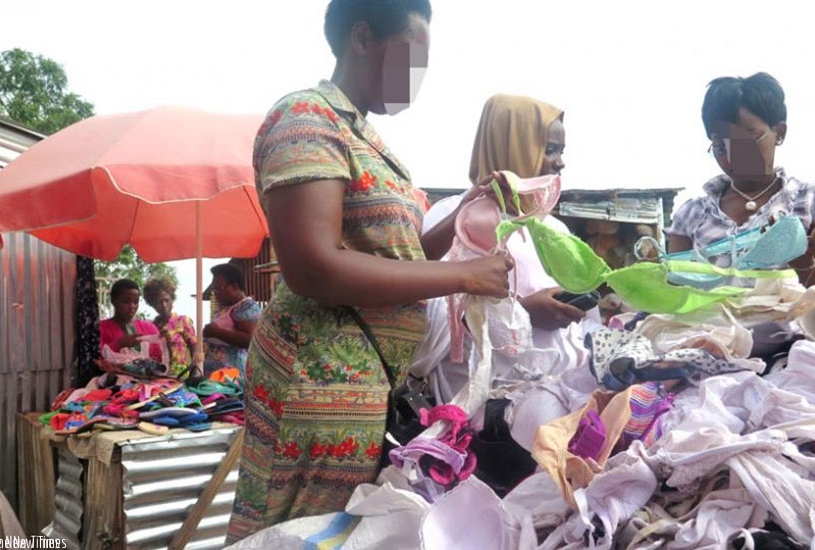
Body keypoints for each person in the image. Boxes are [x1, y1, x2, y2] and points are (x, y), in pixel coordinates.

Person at [226, 0, 512, 541]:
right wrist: (466, 276)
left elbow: (397, 266)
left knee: (335, 532)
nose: (418, 79)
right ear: (361, 38)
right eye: (412, 58)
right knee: (293, 531)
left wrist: (463, 212)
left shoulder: (369, 140)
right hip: (316, 379)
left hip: (362, 385)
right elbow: (314, 267)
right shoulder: (307, 118)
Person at [415, 94, 600, 402]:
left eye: (561, 150)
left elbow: (589, 324)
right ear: (514, 146)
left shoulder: (553, 229)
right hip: (484, 408)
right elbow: (431, 316)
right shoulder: (456, 220)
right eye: (550, 149)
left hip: (558, 402)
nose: (560, 161)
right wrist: (524, 313)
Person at [666, 72, 815, 358]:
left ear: (779, 132)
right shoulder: (692, 214)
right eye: (721, 146)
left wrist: (805, 266)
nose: (733, 157)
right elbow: (677, 296)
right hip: (705, 352)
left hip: (791, 354)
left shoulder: (807, 201)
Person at [203, 263, 261, 375]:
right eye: (214, 289)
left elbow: (249, 339)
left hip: (232, 377)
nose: (215, 293)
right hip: (216, 377)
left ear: (234, 287)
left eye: (218, 289)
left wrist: (215, 332)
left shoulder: (246, 307)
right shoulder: (227, 307)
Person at [142, 277, 198, 377]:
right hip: (157, 377)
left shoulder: (183, 321)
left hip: (181, 376)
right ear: (152, 304)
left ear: (172, 299)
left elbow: (195, 348)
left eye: (167, 300)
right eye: (158, 302)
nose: (164, 305)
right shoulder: (151, 327)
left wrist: (194, 372)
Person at [99, 278, 162, 362]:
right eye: (126, 302)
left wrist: (167, 344)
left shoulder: (149, 328)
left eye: (136, 302)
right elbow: (97, 360)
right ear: (113, 301)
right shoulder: (100, 328)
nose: (132, 307)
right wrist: (119, 344)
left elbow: (159, 358)